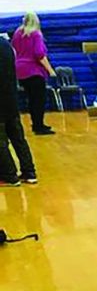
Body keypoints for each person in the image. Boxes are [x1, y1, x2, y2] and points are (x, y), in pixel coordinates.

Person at [11, 11, 57, 135]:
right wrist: (50, 70)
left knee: (31, 99)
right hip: (33, 71)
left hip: (20, 70)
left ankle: (36, 123)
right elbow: (39, 54)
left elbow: (14, 50)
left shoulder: (17, 33)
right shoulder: (36, 34)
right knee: (39, 99)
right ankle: (39, 126)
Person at [0, 35, 37, 186]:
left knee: (0, 141)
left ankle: (9, 175)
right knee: (18, 138)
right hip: (11, 99)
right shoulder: (6, 45)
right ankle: (29, 172)